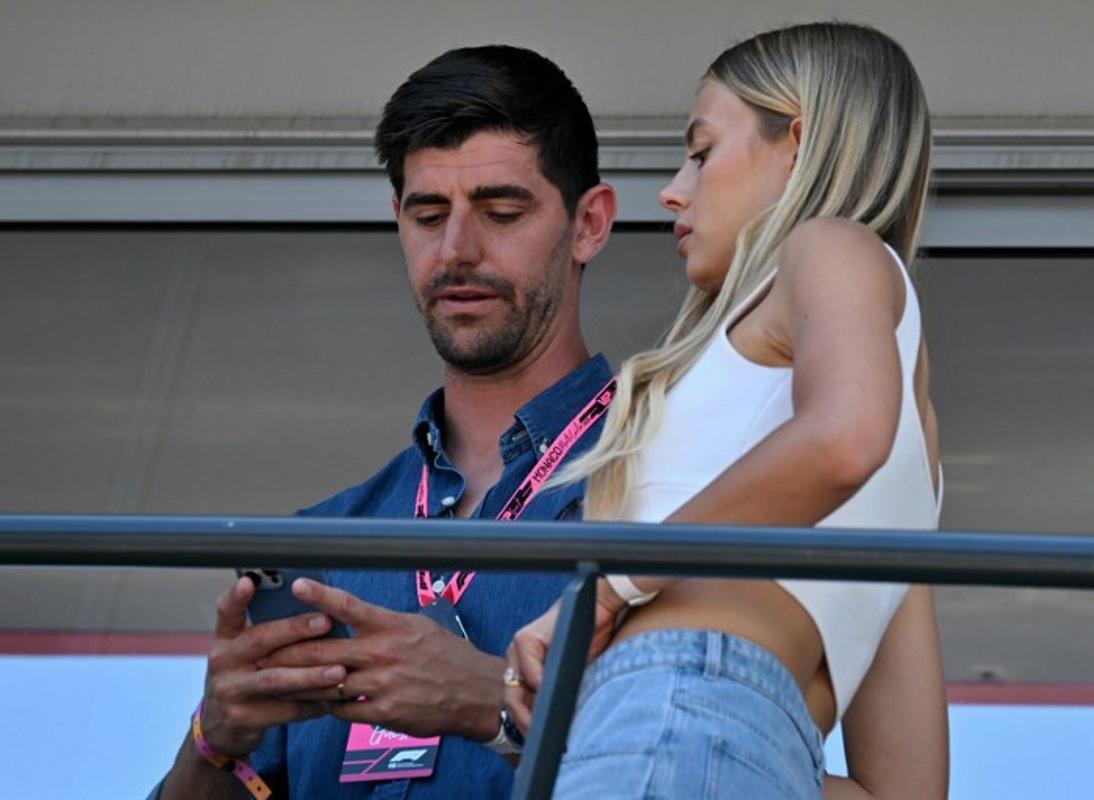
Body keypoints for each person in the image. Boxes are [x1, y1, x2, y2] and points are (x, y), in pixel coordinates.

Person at [155, 44, 617, 799]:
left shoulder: (678, 489)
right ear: (396, 221)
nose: (457, 249)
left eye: (502, 212)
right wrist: (214, 739)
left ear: (589, 224)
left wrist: (490, 698)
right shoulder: (317, 545)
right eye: (428, 215)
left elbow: (723, 769)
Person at [506, 22, 949, 799]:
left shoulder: (830, 245)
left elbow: (843, 438)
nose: (674, 190)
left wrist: (607, 591)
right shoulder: (921, 466)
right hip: (745, 745)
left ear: (797, 143)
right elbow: (904, 790)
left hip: (675, 707)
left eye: (702, 151)